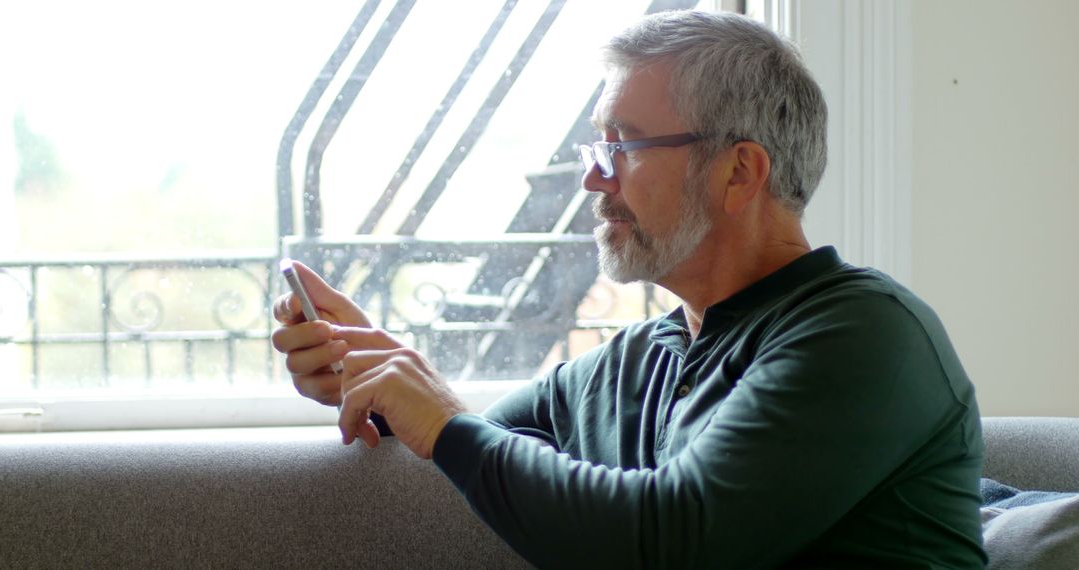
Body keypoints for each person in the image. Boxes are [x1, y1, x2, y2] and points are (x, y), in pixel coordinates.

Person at [271, 10, 986, 569]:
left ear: (739, 173)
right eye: (597, 146)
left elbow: (674, 543)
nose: (593, 177)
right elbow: (482, 443)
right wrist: (372, 369)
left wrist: (443, 425)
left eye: (625, 145)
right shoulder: (638, 359)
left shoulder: (864, 335)